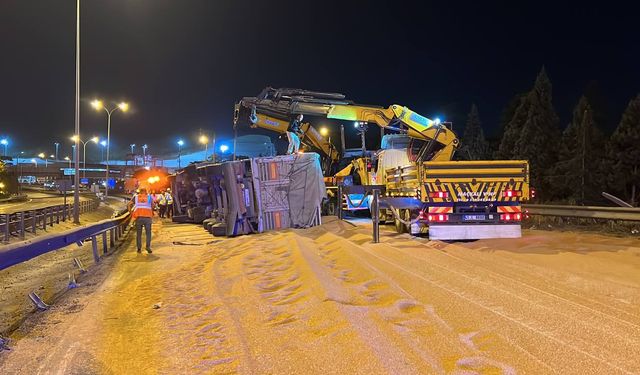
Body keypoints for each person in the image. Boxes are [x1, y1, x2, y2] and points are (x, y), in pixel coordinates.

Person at [129, 187, 153, 253]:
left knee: (139, 234)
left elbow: (129, 204)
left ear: (139, 191)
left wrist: (131, 213)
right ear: (146, 191)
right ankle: (148, 247)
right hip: (148, 217)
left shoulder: (136, 197)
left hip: (138, 217)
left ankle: (139, 249)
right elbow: (153, 205)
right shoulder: (149, 197)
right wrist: (151, 211)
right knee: (148, 233)